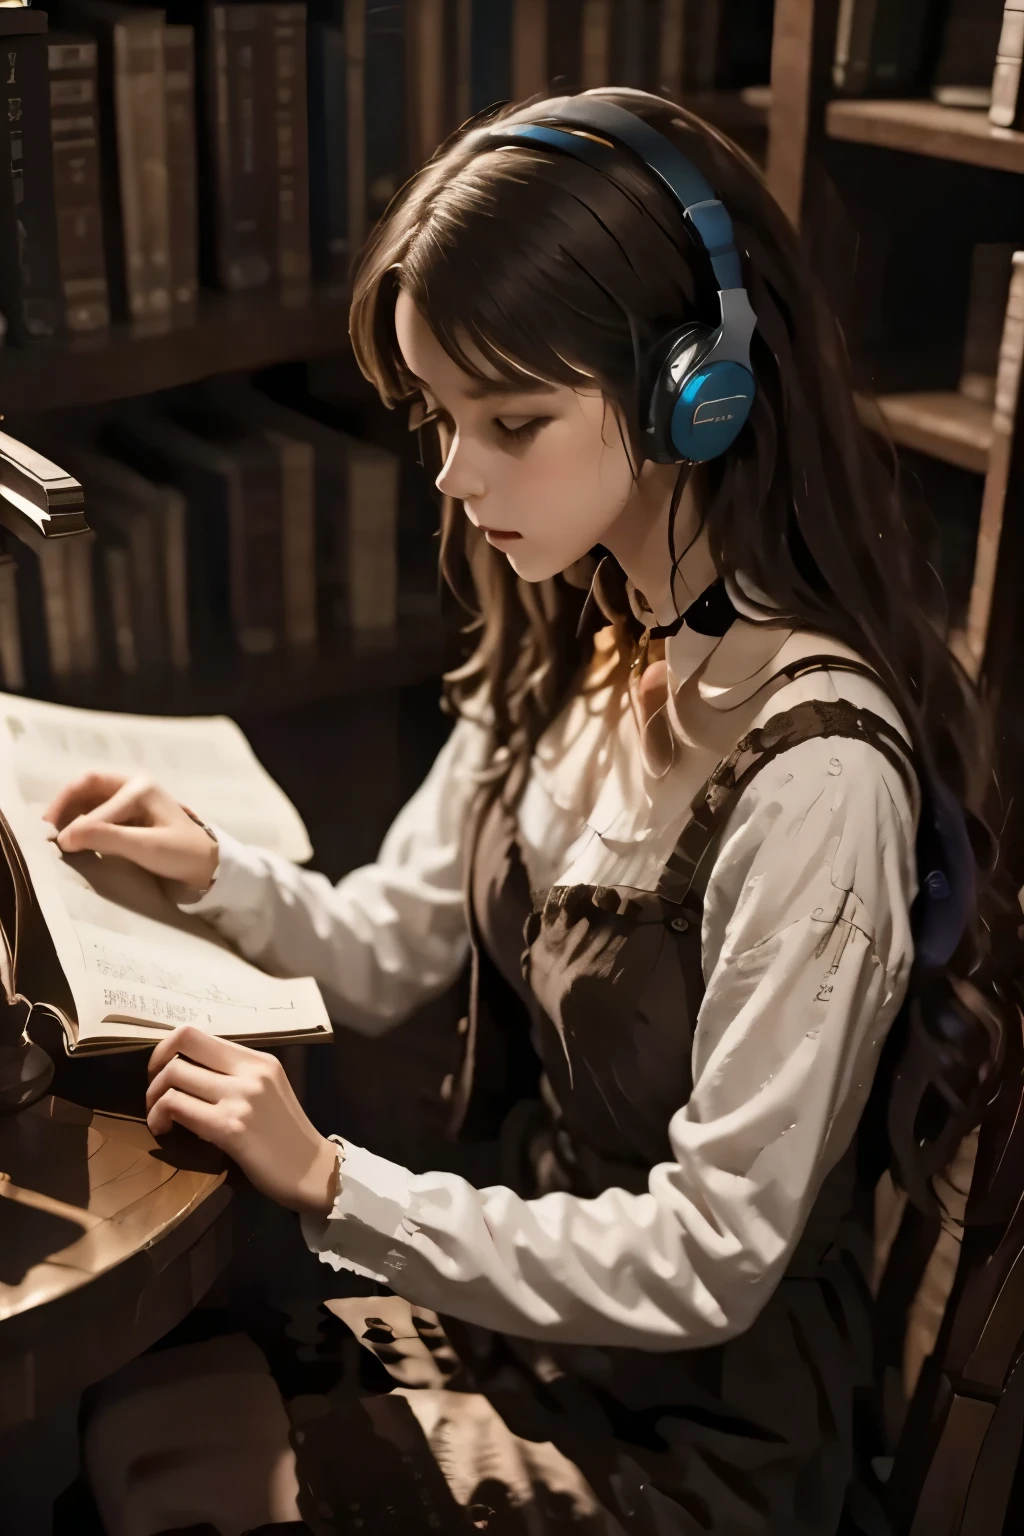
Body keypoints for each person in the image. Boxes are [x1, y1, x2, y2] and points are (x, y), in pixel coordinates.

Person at [46, 89, 992, 1536]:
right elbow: (383, 949)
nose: (454, 471)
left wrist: (336, 1182)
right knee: (130, 1416)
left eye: (513, 420)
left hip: (699, 1431)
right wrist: (214, 873)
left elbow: (716, 1253)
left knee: (167, 1474)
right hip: (545, 1324)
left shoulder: (818, 777)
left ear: (703, 390)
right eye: (439, 414)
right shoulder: (579, 627)